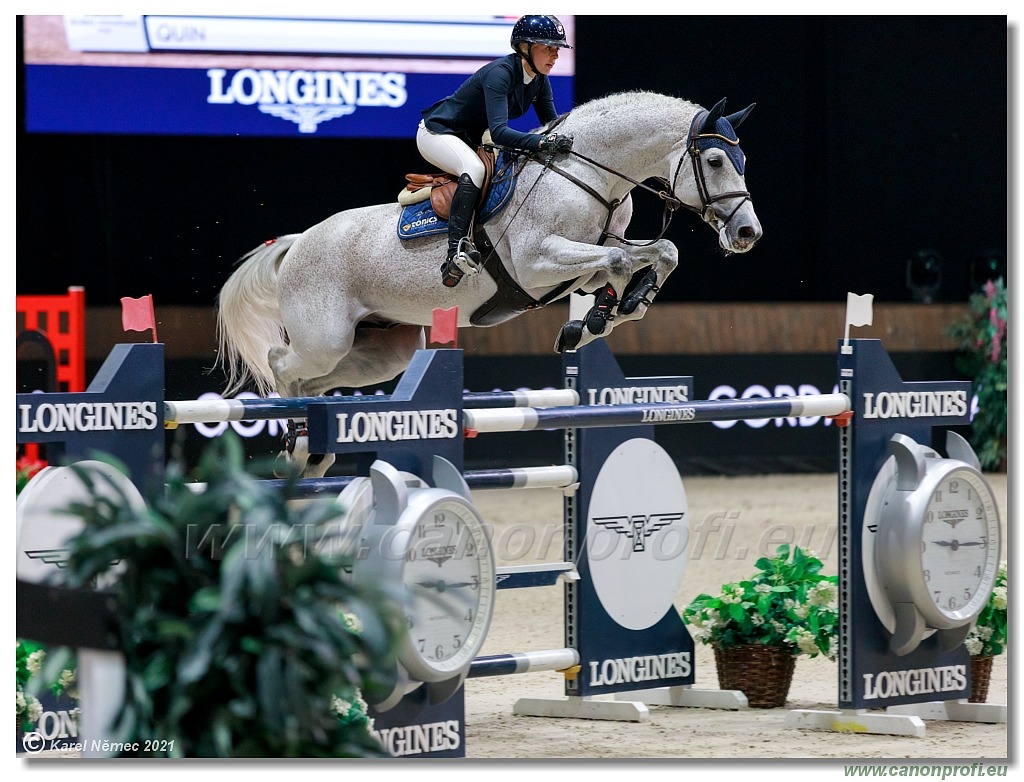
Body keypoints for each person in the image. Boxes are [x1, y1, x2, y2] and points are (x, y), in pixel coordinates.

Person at [418, 15, 574, 287]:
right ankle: (455, 252)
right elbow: (500, 132)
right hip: (438, 133)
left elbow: (552, 125)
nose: (555, 55)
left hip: (472, 138)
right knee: (474, 169)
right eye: (548, 47)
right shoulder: (500, 73)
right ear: (525, 46)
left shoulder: (539, 79)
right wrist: (541, 143)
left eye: (557, 48)